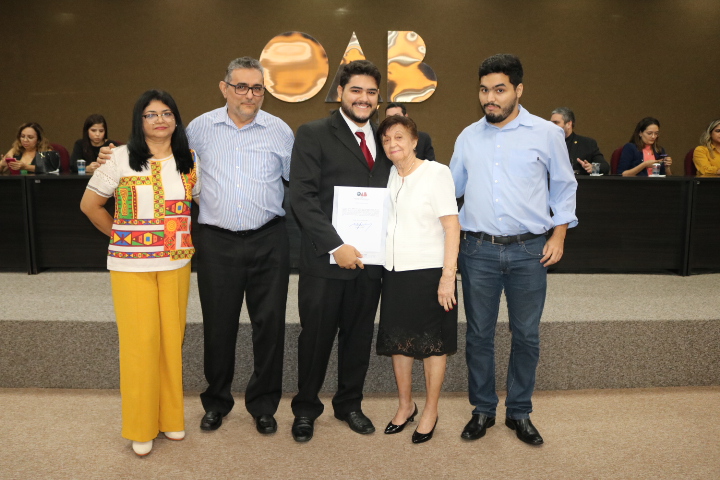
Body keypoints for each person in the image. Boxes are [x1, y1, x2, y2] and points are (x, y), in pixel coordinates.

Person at [99, 58, 293, 436]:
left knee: (269, 326)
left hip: (269, 239)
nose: (249, 95)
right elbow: (159, 152)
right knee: (218, 326)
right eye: (241, 86)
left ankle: (263, 405)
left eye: (257, 88)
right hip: (217, 241)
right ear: (224, 88)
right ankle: (217, 402)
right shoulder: (199, 128)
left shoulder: (280, 131)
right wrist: (112, 155)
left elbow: (297, 181)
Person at [449, 54, 577, 446]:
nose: (490, 98)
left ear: (518, 90)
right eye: (484, 90)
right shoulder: (468, 137)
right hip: (478, 251)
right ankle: (483, 409)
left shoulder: (547, 134)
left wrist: (559, 235)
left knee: (526, 336)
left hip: (529, 251)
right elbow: (449, 191)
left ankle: (519, 412)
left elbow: (564, 187)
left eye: (499, 90)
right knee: (478, 336)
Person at [80, 90, 200, 456]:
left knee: (171, 341)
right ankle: (141, 425)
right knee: (140, 345)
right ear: (140, 121)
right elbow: (90, 205)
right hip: (131, 266)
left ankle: (171, 418)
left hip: (176, 263)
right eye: (151, 114)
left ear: (176, 119)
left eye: (166, 113)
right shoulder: (119, 157)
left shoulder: (189, 159)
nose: (160, 120)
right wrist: (122, 236)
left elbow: (201, 201)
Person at [289, 60, 392, 442]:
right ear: (340, 93)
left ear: (378, 98)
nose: (364, 98)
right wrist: (336, 245)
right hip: (325, 260)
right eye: (356, 90)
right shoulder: (313, 133)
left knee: (359, 336)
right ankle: (305, 409)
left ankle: (349, 404)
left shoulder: (386, 138)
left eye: (371, 92)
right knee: (315, 338)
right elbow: (302, 197)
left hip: (370, 262)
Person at [376, 114, 460, 444]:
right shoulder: (390, 175)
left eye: (399, 137)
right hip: (395, 273)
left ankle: (430, 410)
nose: (392, 144)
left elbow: (452, 227)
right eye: (386, 140)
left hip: (430, 273)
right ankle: (405, 405)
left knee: (432, 345)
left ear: (414, 141)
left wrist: (448, 277)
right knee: (399, 342)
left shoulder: (436, 173)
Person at [550, 107, 610, 175]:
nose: (552, 126)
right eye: (551, 123)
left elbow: (605, 167)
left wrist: (593, 168)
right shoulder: (545, 143)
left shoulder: (587, 143)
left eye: (556, 123)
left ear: (569, 124)